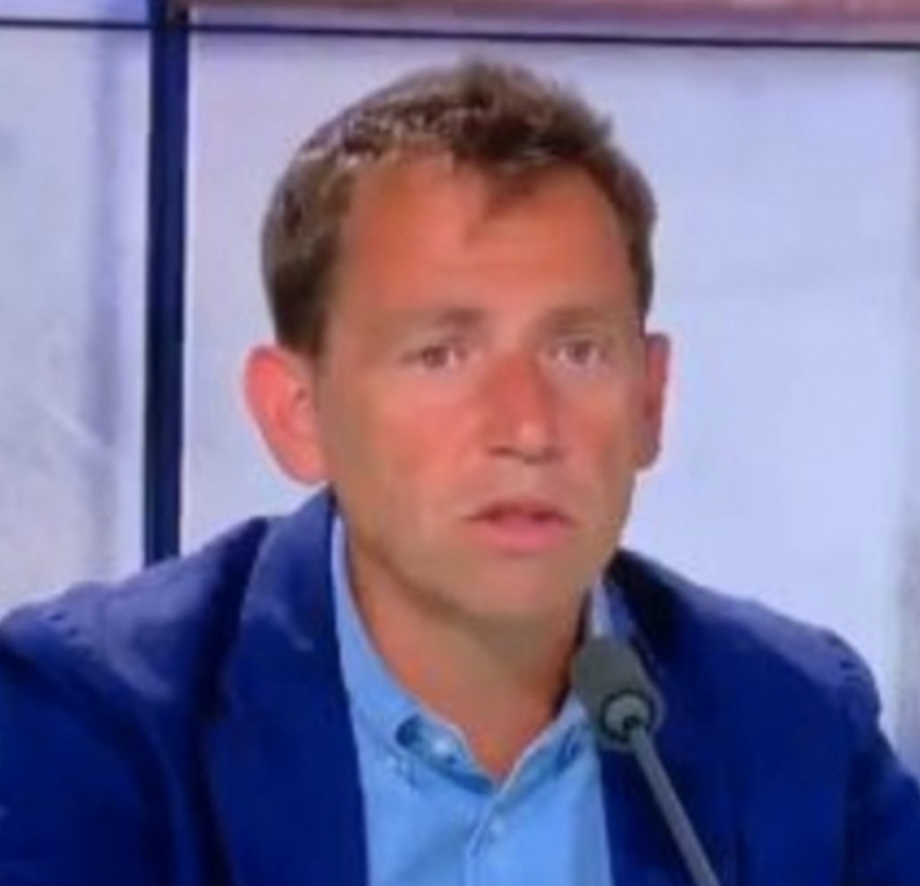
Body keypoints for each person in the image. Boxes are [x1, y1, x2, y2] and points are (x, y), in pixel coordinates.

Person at [1, 59, 918, 886]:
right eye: (441, 355)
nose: (528, 427)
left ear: (650, 400)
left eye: (578, 351)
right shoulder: (99, 725)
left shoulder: (796, 724)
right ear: (297, 413)